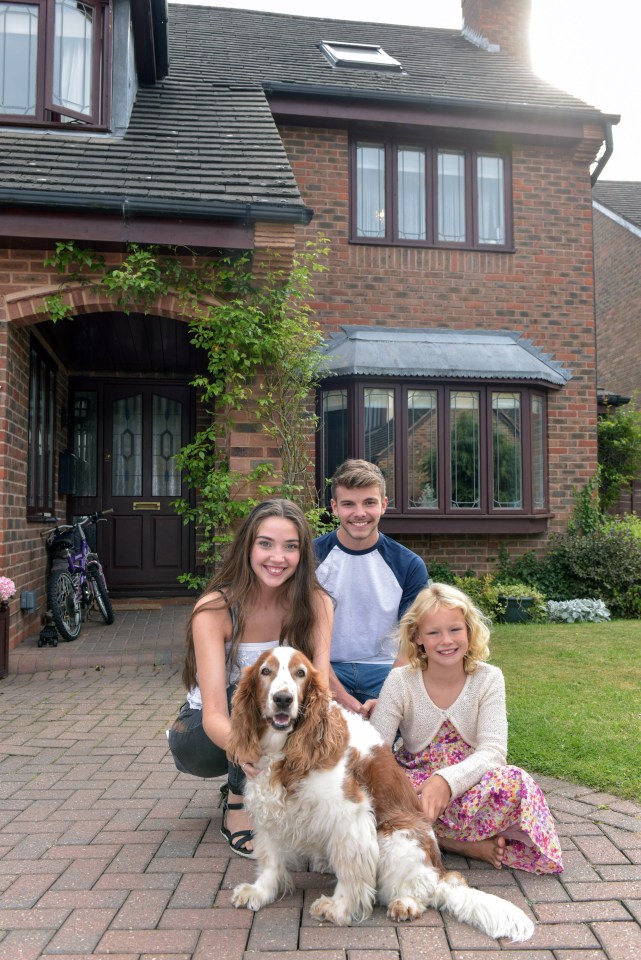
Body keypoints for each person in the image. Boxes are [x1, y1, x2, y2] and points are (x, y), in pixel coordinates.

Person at [167, 499, 333, 858]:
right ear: (248, 546)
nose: (278, 557)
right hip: (203, 737)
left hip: (275, 721)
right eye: (266, 544)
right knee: (248, 690)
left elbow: (321, 688)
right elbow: (214, 711)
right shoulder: (215, 609)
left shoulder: (317, 604)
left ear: (303, 553)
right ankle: (239, 803)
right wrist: (246, 753)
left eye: (291, 546)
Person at [369, 582, 563, 874]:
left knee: (517, 783)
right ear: (417, 637)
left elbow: (493, 752)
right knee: (372, 789)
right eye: (434, 632)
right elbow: (375, 750)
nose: (446, 640)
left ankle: (430, 837)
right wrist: (410, 789)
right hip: (417, 788)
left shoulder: (489, 678)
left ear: (469, 631)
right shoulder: (400, 680)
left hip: (471, 782)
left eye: (455, 629)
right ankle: (457, 844)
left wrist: (446, 782)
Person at [314, 459, 428, 713]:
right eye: (348, 504)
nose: (359, 513)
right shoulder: (311, 558)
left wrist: (389, 699)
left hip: (387, 671)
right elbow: (300, 636)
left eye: (369, 502)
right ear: (334, 507)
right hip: (325, 670)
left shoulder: (408, 565)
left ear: (383, 505)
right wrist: (341, 697)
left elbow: (413, 640)